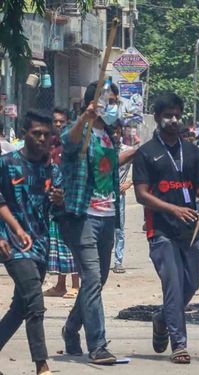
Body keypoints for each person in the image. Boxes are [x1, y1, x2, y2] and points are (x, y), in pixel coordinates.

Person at [57, 81, 137, 364]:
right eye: (107, 100)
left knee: (99, 279)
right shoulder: (83, 131)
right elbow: (67, 140)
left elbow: (111, 163)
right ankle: (98, 345)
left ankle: (70, 328)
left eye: (114, 101)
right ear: (92, 103)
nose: (111, 106)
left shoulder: (108, 137)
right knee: (91, 277)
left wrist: (140, 150)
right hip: (83, 217)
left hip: (107, 217)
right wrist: (84, 117)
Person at [133, 92, 199, 365]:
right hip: (161, 230)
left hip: (191, 229)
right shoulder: (146, 153)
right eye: (168, 115)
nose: (174, 120)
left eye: (177, 115)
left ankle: (162, 318)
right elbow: (141, 195)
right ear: (157, 118)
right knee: (174, 287)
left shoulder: (192, 151)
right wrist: (173, 209)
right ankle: (179, 344)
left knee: (192, 284)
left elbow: (198, 189)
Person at [0, 109, 64, 375]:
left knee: (20, 307)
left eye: (46, 134)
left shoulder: (52, 168)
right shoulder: (7, 163)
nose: (42, 138)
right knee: (35, 304)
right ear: (24, 133)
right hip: (12, 245)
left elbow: (59, 207)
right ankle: (42, 365)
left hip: (40, 245)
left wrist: (60, 200)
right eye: (36, 133)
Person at [43, 107, 80, 297]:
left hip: (68, 197)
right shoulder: (48, 143)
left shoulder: (71, 143)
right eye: (55, 121)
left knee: (70, 242)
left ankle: (75, 284)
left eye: (61, 121)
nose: (58, 124)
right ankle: (60, 284)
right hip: (52, 198)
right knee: (57, 242)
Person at [112, 122, 135, 274]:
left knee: (119, 228)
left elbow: (141, 167)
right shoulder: (102, 148)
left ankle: (118, 261)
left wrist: (129, 182)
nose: (115, 135)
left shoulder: (128, 151)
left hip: (119, 195)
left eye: (117, 132)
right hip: (102, 194)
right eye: (113, 132)